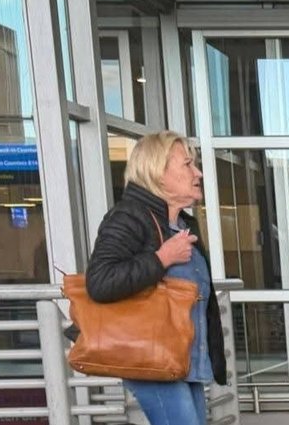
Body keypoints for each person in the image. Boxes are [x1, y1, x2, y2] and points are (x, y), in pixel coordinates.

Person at [85, 131, 224, 425]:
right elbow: (100, 280)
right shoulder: (129, 216)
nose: (198, 173)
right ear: (158, 172)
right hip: (151, 358)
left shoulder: (182, 225)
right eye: (187, 164)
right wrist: (162, 259)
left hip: (181, 361)